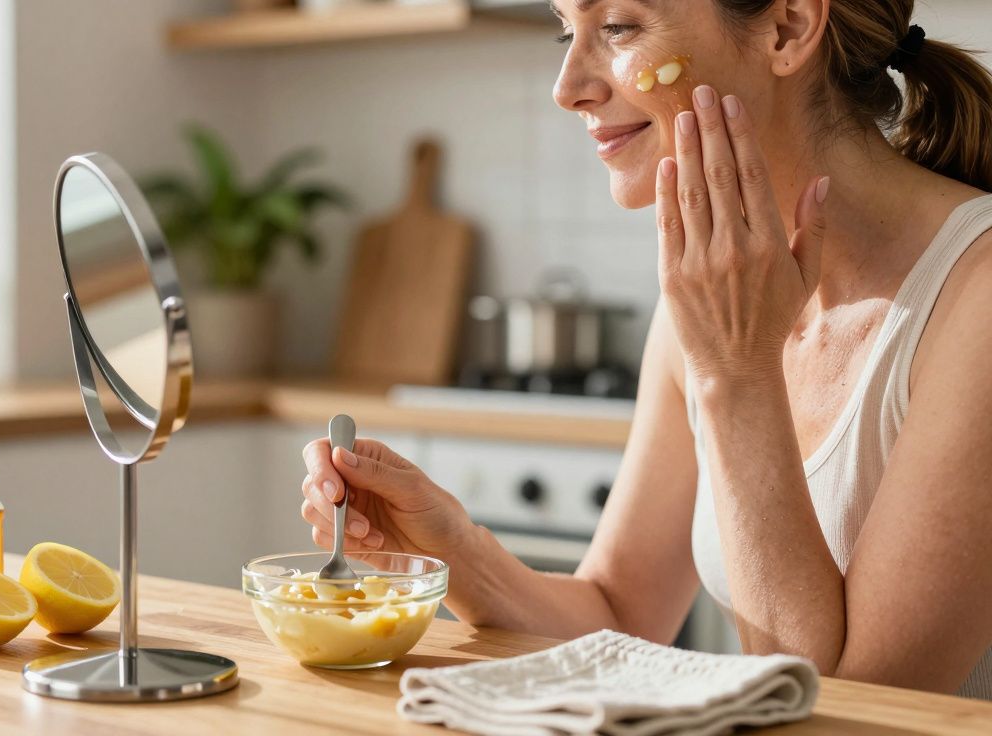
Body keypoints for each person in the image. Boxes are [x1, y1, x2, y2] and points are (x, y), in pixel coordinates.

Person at [299, 0, 992, 699]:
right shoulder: (713, 289)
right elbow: (620, 615)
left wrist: (735, 374)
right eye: (566, 30)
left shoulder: (977, 295)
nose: (567, 86)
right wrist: (451, 545)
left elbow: (848, 710)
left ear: (787, 28)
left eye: (620, 27)